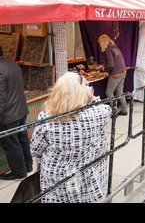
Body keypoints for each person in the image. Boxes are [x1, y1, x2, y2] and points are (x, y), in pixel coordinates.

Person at [30, 72, 112, 202]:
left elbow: (35, 149)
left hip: (55, 178)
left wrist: (39, 160)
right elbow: (106, 109)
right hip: (85, 177)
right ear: (82, 93)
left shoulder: (46, 118)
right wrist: (91, 98)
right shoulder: (96, 115)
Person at [0, 46, 33, 180]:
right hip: (20, 110)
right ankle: (28, 165)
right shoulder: (12, 64)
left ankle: (19, 172)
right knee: (22, 139)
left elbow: (0, 98)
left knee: (12, 145)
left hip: (8, 115)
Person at [98, 34, 127, 115]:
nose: (100, 45)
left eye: (100, 43)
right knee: (120, 91)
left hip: (116, 74)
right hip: (123, 71)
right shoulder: (114, 47)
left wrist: (105, 70)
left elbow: (111, 65)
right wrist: (106, 67)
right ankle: (124, 110)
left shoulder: (108, 50)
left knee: (109, 92)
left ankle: (114, 111)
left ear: (103, 42)